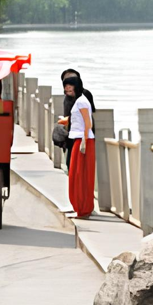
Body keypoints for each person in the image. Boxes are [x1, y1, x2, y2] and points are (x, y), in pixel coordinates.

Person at [65, 75, 95, 218]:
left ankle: (83, 209)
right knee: (76, 175)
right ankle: (79, 207)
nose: (67, 88)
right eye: (65, 86)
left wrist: (84, 141)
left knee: (80, 175)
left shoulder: (82, 101)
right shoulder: (79, 101)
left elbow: (88, 123)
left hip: (83, 140)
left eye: (70, 85)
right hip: (80, 139)